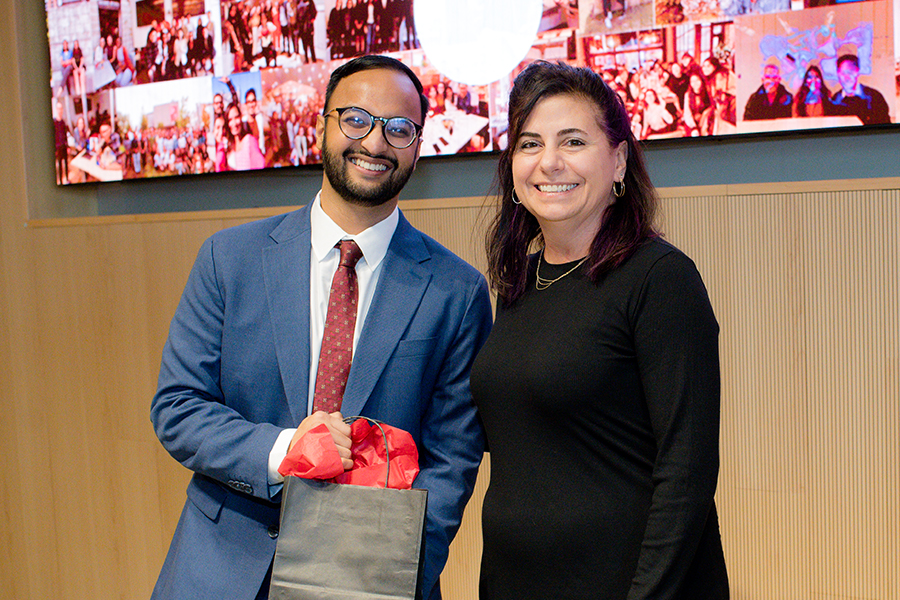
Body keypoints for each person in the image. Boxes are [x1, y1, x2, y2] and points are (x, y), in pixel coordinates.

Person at [150, 54, 493, 600]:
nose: (376, 143)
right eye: (356, 119)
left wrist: (396, 573)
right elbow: (179, 408)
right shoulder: (229, 259)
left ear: (419, 144)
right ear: (321, 126)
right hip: (223, 570)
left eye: (399, 129)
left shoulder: (457, 291)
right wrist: (285, 448)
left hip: (370, 577)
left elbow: (452, 459)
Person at [471, 60, 729, 600]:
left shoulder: (660, 278)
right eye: (529, 143)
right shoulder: (519, 280)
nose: (550, 162)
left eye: (573, 141)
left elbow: (687, 471)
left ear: (618, 160)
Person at [830, 53, 891, 125]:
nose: (846, 78)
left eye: (850, 72)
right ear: (838, 74)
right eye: (843, 73)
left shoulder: (875, 97)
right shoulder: (835, 100)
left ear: (857, 72)